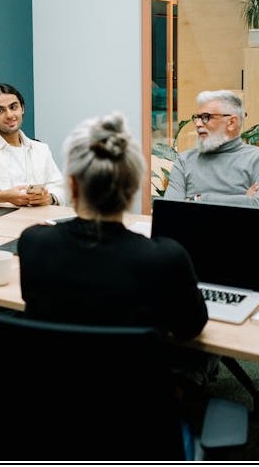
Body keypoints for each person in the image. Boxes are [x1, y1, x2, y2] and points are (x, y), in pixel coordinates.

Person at [17, 112, 207, 337]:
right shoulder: (167, 259)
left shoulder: (34, 243)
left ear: (73, 186)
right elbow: (190, 328)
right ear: (134, 187)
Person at [165, 89, 259, 209]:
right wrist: (243, 201)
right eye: (197, 117)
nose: (198, 124)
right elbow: (170, 210)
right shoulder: (185, 160)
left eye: (206, 117)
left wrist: (197, 199)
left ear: (231, 123)